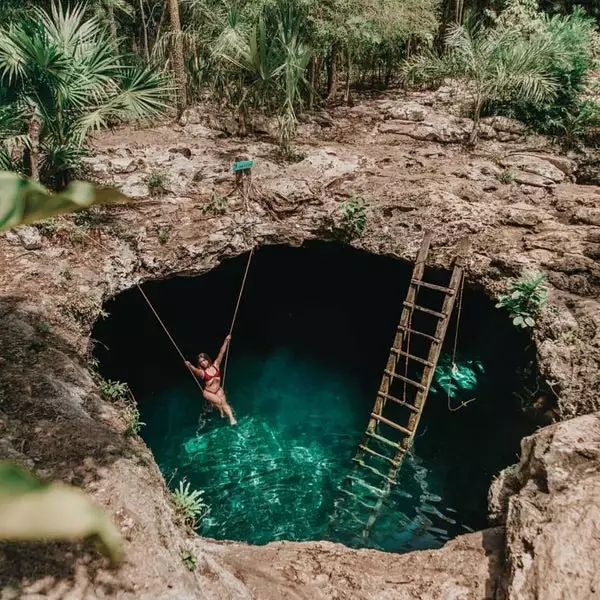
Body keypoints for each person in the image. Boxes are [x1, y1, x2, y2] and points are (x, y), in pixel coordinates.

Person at [185, 334, 237, 425]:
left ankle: (232, 419)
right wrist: (190, 366)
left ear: (207, 359)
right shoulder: (202, 373)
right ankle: (220, 408)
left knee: (225, 403)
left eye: (204, 360)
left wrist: (226, 341)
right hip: (208, 392)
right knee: (220, 402)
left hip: (218, 390)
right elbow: (195, 371)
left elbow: (221, 353)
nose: (203, 363)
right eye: (201, 362)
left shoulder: (216, 365)